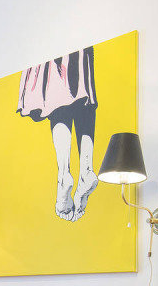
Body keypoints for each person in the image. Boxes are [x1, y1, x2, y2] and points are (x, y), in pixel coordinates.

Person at [17, 46, 99, 222]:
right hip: (81, 51)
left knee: (58, 94)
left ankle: (64, 175)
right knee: (83, 94)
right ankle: (86, 170)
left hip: (53, 52)